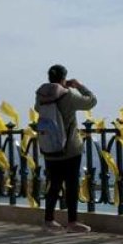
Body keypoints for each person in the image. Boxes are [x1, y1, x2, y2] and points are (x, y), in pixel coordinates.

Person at [34, 64, 97, 233]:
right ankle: (72, 222)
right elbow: (91, 101)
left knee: (53, 184)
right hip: (69, 148)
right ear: (64, 78)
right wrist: (78, 86)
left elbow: (37, 109)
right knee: (71, 184)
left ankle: (48, 220)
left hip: (49, 147)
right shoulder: (67, 96)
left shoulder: (40, 96)